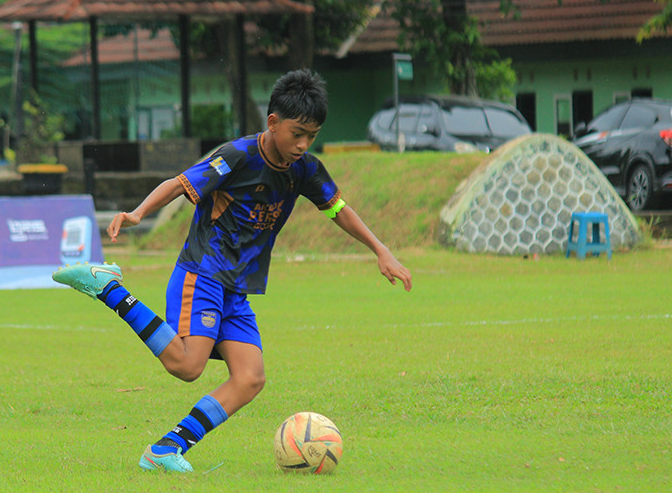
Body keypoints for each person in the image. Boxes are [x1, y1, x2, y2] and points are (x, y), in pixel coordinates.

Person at [52, 69, 412, 472]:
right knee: (188, 366)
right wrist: (138, 213)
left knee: (250, 378)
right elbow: (180, 183)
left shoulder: (305, 169)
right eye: (297, 133)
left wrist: (380, 250)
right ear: (273, 122)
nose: (303, 144)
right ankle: (108, 288)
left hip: (235, 287)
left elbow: (337, 209)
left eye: (311, 136)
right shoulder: (237, 157)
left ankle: (166, 449)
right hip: (202, 273)